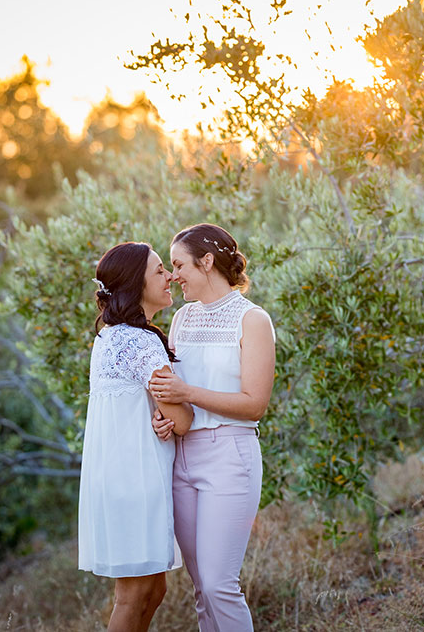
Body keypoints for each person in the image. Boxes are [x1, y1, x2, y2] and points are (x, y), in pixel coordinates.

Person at [149, 223, 276, 632]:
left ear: (207, 262)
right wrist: (166, 417)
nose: (172, 275)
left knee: (221, 585)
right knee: (201, 587)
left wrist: (187, 391)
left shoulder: (252, 320)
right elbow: (174, 392)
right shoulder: (183, 319)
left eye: (179, 264)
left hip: (230, 458)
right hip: (182, 459)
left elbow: (254, 405)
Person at [78, 242, 193, 632]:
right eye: (160, 270)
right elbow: (183, 418)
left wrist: (161, 414)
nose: (170, 277)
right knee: (133, 596)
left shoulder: (112, 337)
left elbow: (150, 408)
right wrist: (173, 414)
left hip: (119, 475)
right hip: (134, 479)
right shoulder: (140, 342)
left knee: (153, 590)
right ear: (135, 283)